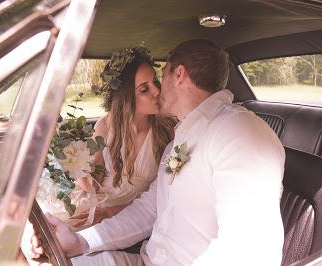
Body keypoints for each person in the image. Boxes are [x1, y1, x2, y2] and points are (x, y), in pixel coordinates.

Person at [23, 39, 285, 265]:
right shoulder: (180, 140)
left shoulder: (240, 132)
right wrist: (81, 242)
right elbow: (151, 209)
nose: (159, 90)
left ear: (179, 74)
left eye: (163, 75)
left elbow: (248, 251)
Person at [36, 47, 175, 229]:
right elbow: (92, 185)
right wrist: (76, 163)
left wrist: (112, 213)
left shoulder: (167, 129)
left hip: (132, 213)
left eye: (155, 82)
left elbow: (165, 193)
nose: (157, 91)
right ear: (126, 98)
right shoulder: (106, 127)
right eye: (144, 89)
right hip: (98, 204)